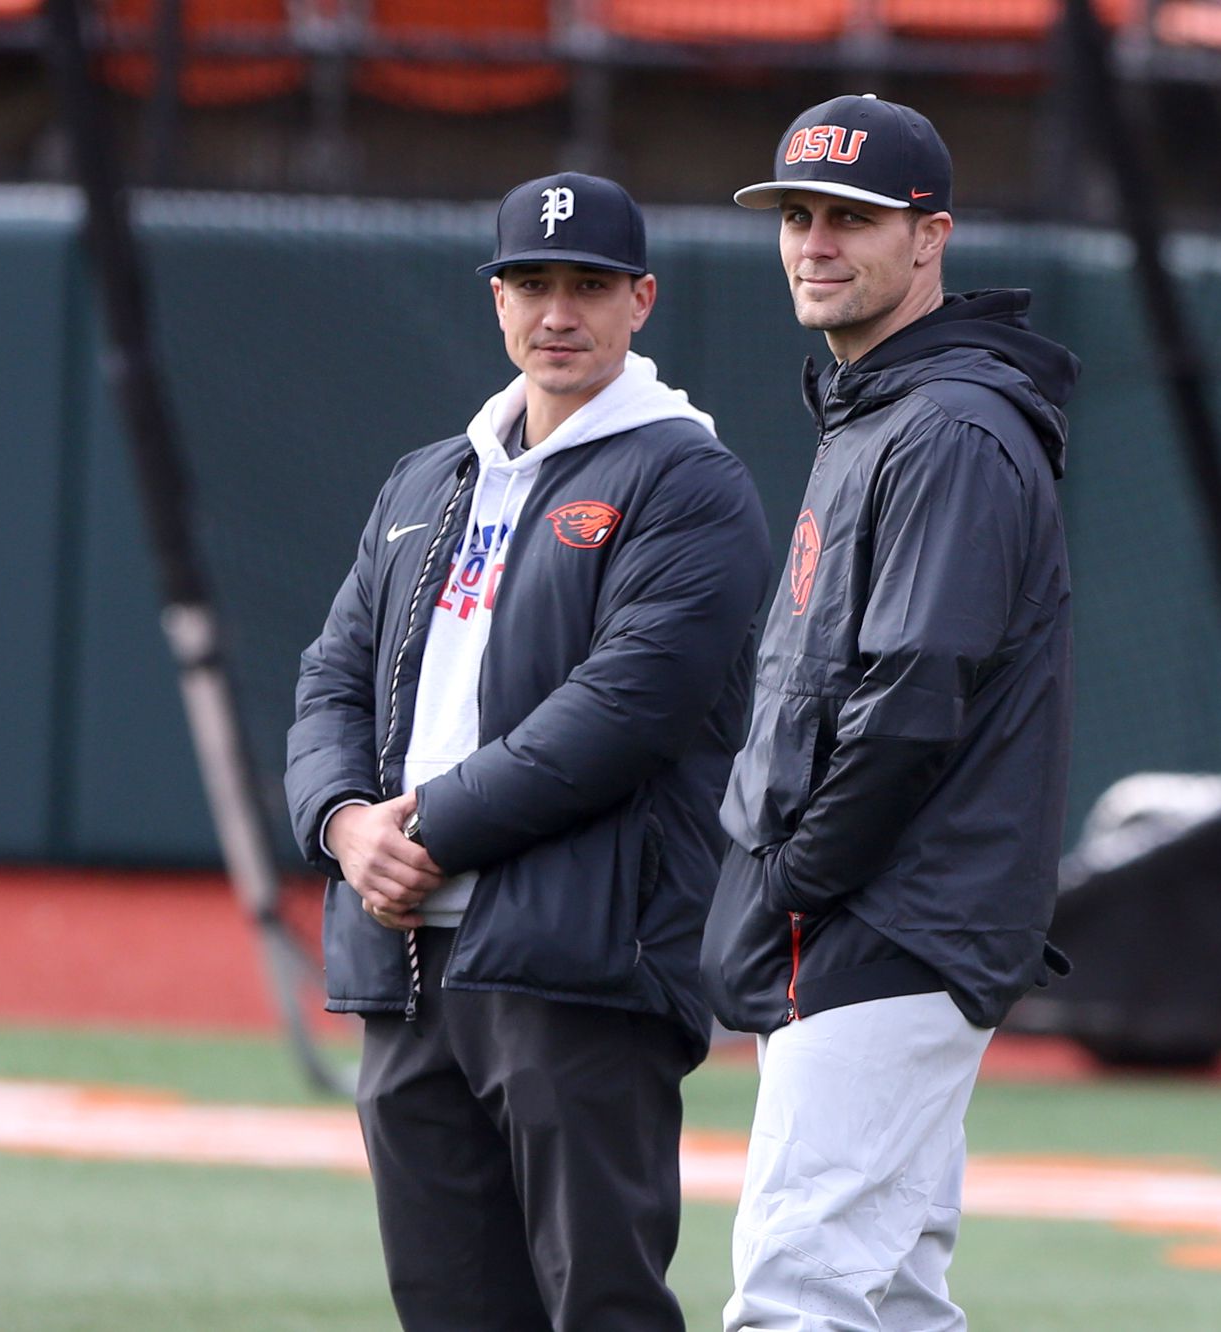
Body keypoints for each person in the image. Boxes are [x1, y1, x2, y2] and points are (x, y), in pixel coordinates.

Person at [285, 171, 771, 1332]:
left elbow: (625, 710)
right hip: (405, 960)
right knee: (449, 1306)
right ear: (497, 300)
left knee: (598, 1301)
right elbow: (331, 677)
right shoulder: (426, 479)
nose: (558, 312)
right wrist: (343, 825)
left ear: (641, 300)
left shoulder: (688, 479)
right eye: (531, 284)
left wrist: (423, 829)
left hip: (582, 955)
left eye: (588, 287)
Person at [701, 94, 1080, 1331]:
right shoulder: (886, 406)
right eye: (797, 215)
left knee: (799, 1292)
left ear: (929, 237)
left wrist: (798, 883)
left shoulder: (949, 427)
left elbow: (912, 702)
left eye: (852, 219)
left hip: (885, 919)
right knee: (895, 1296)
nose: (814, 242)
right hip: (889, 919)